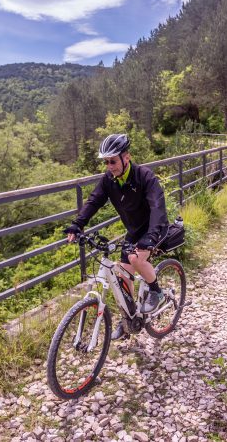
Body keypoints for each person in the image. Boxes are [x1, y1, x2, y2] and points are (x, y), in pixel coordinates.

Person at [64, 134, 169, 340]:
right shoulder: (109, 180)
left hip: (154, 228)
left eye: (113, 161)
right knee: (122, 275)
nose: (109, 166)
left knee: (135, 258)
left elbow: (157, 206)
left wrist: (151, 236)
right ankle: (128, 320)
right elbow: (94, 201)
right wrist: (78, 224)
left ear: (126, 157)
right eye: (106, 162)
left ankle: (157, 291)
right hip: (134, 230)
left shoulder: (144, 176)